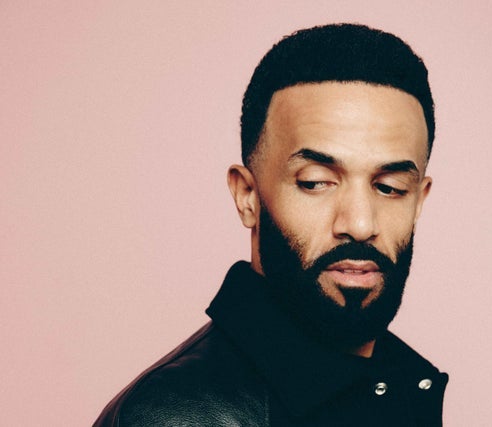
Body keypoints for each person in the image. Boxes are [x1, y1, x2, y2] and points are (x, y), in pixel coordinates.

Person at [94, 23, 448, 426]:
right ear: (247, 195)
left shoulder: (401, 385)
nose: (360, 223)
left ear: (419, 201)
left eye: (390, 187)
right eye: (315, 182)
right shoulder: (176, 418)